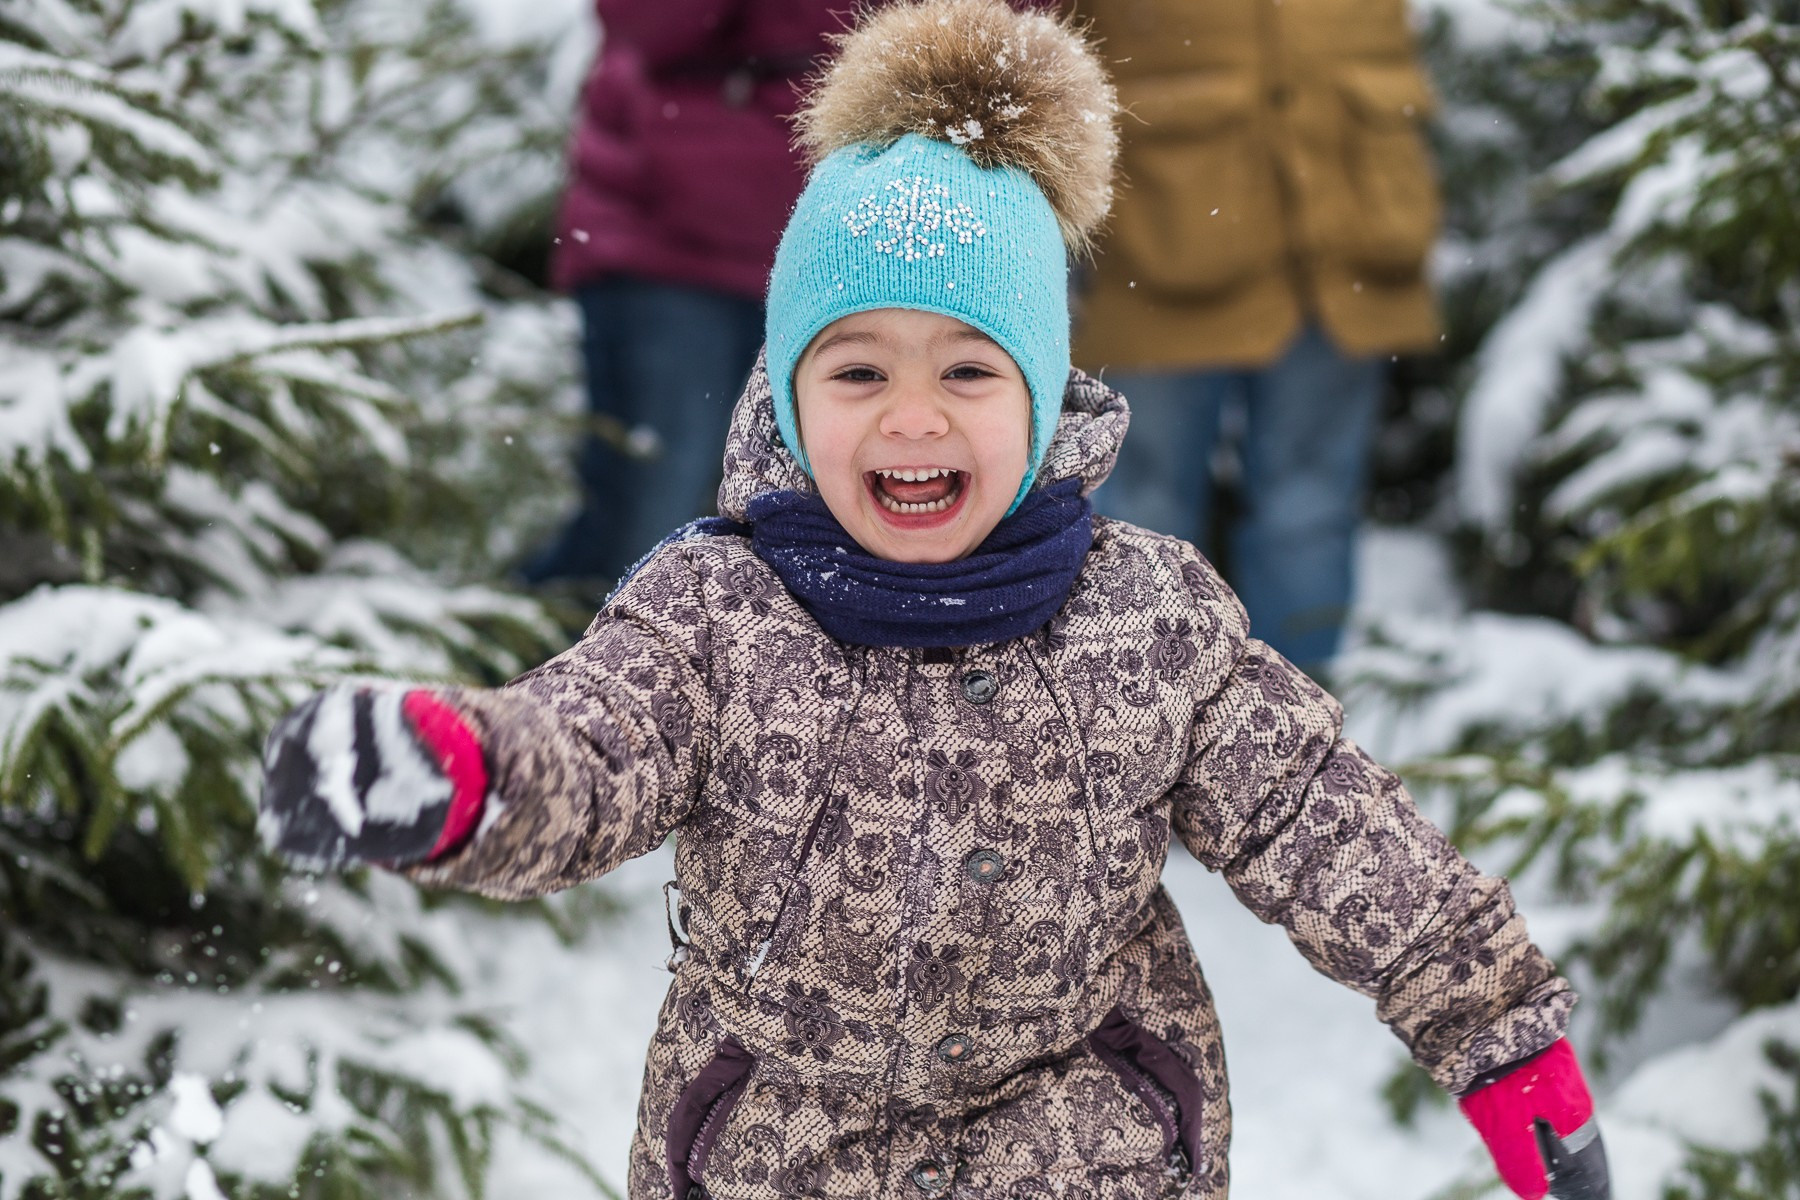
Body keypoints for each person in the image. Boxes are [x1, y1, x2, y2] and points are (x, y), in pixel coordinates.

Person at [257, 4, 1608, 1198]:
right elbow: (592, 745)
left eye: (968, 371)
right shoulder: (715, 611)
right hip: (781, 1156)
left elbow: (1327, 822)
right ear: (789, 397)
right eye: (858, 374)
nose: (913, 418)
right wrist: (468, 774)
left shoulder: (1145, 619)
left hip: (1085, 1155)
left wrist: (1500, 1032)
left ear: (1044, 394)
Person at [1073, 0, 1444, 673]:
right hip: (1157, 239)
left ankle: (1301, 718)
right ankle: (1148, 715)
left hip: (1345, 239)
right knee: (1141, 515)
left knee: (1308, 508)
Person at [522, 0, 850, 587]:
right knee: (642, 527)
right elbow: (647, 23)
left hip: (854, 254)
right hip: (669, 247)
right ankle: (549, 638)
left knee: (830, 537)